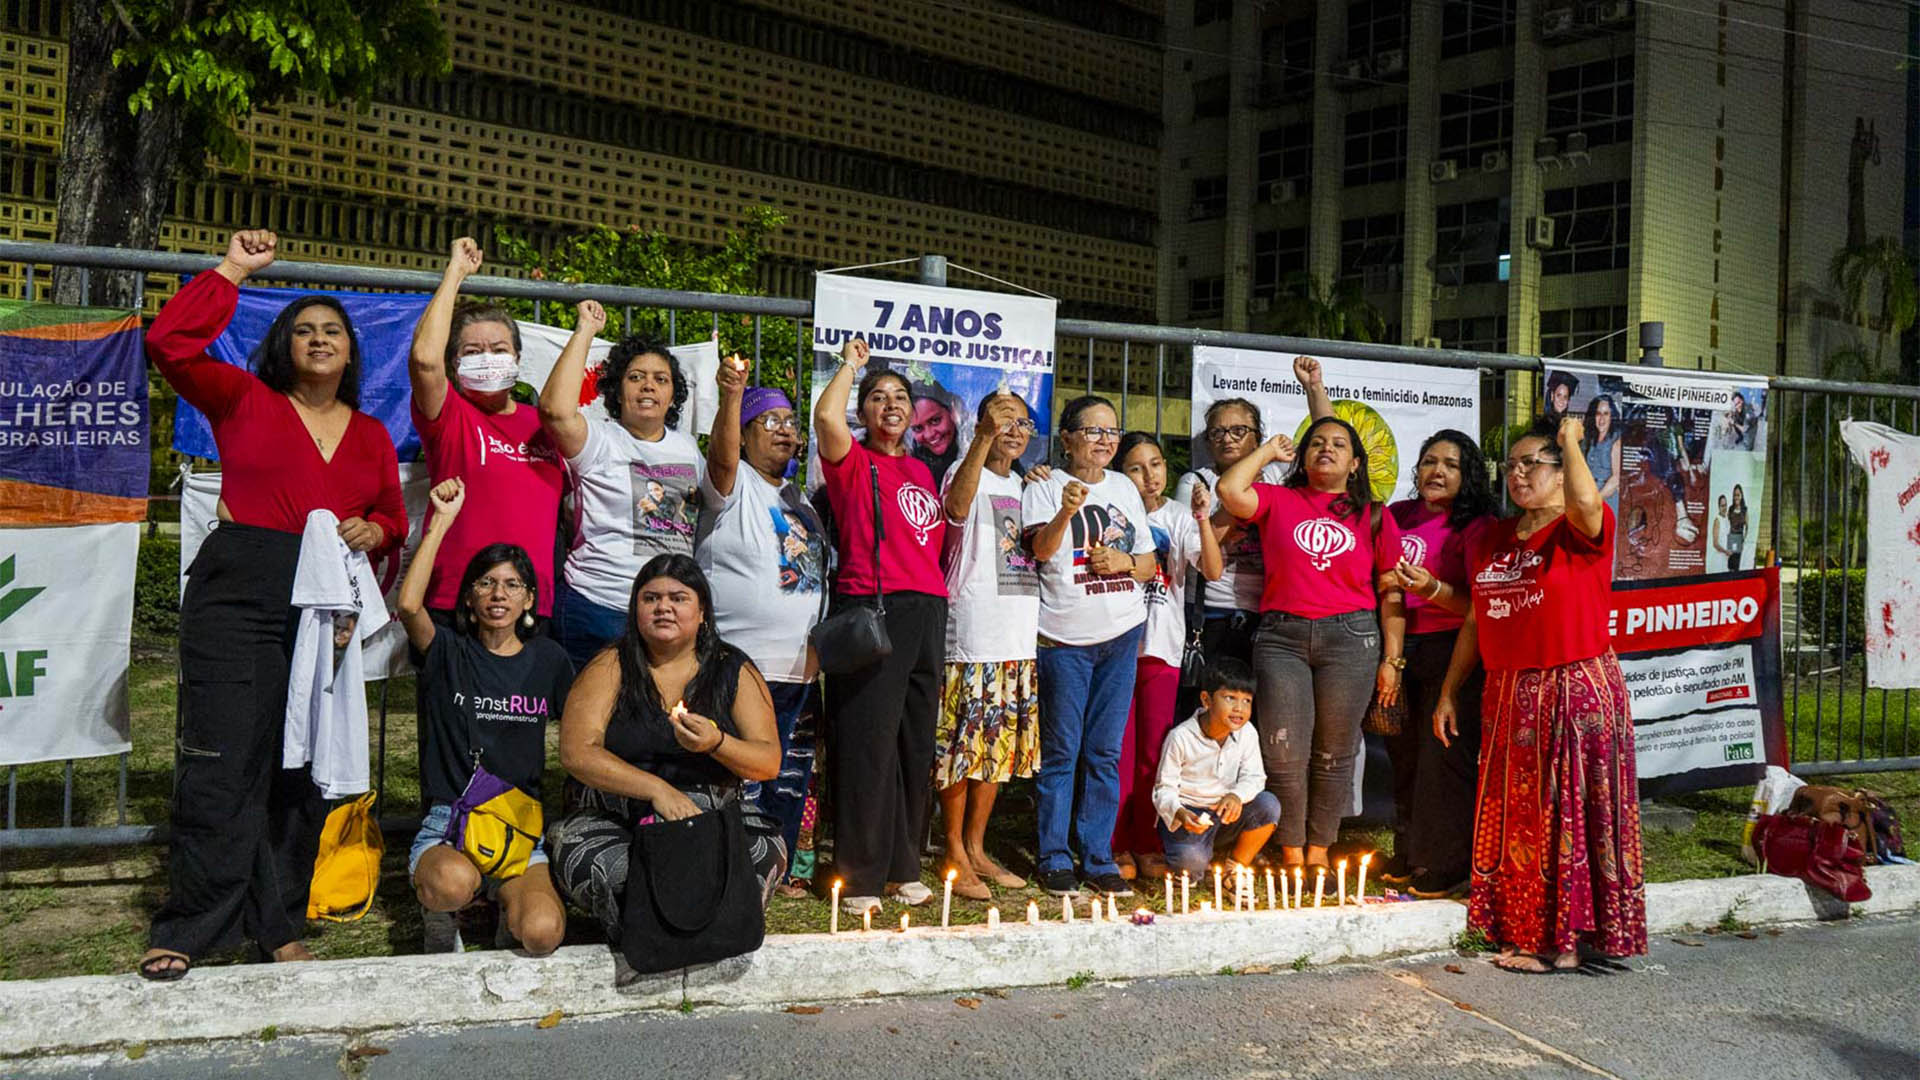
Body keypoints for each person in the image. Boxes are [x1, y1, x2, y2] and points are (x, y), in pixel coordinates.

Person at [140, 230, 406, 980]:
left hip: (324, 604)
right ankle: (190, 923)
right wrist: (232, 269)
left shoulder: (374, 436)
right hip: (241, 586)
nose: (319, 339)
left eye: (333, 332)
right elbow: (168, 342)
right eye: (304, 330)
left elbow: (393, 516)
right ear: (282, 347)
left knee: (302, 769)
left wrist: (378, 528)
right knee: (223, 759)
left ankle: (278, 920)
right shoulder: (242, 398)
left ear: (352, 353)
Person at [1436, 415, 1646, 974]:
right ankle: (1526, 928)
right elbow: (1478, 618)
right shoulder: (1491, 538)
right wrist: (1450, 690)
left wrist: (1574, 443)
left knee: (1570, 813)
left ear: (1560, 473)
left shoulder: (1582, 530)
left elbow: (1586, 503)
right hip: (1508, 690)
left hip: (1574, 685)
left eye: (1533, 463)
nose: (1519, 473)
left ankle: (1567, 940)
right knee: (1519, 818)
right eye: (1512, 465)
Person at [547, 556, 786, 965]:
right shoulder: (612, 663)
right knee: (600, 862)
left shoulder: (732, 668)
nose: (664, 607)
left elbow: (767, 761)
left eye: (679, 598)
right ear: (635, 608)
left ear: (702, 611)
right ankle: (672, 933)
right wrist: (657, 791)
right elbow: (577, 751)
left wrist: (717, 743)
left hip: (711, 813)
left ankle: (705, 929)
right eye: (651, 598)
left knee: (764, 851)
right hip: (618, 814)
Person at [1215, 414, 1406, 879]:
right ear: (1301, 456)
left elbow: (1391, 591)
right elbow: (1229, 491)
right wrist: (1266, 453)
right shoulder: (1279, 499)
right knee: (1284, 749)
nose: (1327, 449)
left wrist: (1392, 659)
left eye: (1339, 444)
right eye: (1316, 442)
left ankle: (1321, 844)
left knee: (1336, 750)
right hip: (1283, 637)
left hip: (1353, 638)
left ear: (1356, 463)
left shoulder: (1375, 514)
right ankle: (1291, 846)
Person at [395, 479, 573, 955]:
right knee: (452, 883)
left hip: (518, 826)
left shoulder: (549, 661)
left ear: (529, 600)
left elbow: (581, 730)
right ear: (470, 598)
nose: (499, 594)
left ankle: (505, 911)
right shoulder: (447, 651)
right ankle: (440, 914)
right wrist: (441, 522)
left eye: (513, 584)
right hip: (450, 822)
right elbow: (409, 605)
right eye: (487, 583)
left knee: (541, 934)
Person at [810, 338, 949, 917]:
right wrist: (851, 367)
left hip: (926, 609)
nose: (890, 405)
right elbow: (823, 416)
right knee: (868, 742)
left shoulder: (919, 467)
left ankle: (902, 864)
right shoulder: (851, 461)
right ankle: (860, 872)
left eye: (900, 397)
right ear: (862, 412)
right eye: (877, 398)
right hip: (875, 605)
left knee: (913, 745)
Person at [696, 359, 827, 894]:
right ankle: (729, 865)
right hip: (742, 663)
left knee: (792, 772)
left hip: (801, 668)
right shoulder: (731, 484)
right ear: (744, 435)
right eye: (768, 422)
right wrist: (733, 395)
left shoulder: (801, 501)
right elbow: (722, 455)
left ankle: (779, 869)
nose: (785, 431)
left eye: (790, 422)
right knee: (738, 773)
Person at [1023, 394, 1159, 898]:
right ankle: (1054, 855)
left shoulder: (1124, 486)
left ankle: (1098, 855)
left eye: (1111, 433)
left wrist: (1124, 564)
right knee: (1062, 752)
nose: (1105, 441)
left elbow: (1148, 563)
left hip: (1121, 635)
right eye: (1093, 432)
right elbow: (1039, 550)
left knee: (1104, 753)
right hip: (1064, 638)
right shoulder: (1043, 485)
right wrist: (1065, 510)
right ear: (1067, 439)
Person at [407, 237, 564, 628]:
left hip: (531, 605)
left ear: (518, 359)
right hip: (457, 599)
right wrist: (456, 273)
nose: (488, 359)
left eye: (498, 349)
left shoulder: (546, 425)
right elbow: (425, 361)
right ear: (455, 362)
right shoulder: (449, 416)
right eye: (473, 352)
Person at [540, 301, 703, 667]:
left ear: (673, 394)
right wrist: (585, 330)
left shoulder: (689, 449)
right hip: (597, 607)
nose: (648, 385)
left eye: (661, 379)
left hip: (666, 615)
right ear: (616, 389)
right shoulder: (599, 440)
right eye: (635, 377)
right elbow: (554, 410)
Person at [1172, 357, 1335, 718]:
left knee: (1260, 718)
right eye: (1217, 432)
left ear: (1258, 436)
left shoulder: (1280, 476)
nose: (1227, 439)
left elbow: (1330, 439)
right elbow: (1199, 549)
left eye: (1238, 431)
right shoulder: (1196, 482)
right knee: (1205, 715)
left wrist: (1314, 388)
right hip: (1211, 614)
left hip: (1271, 617)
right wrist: (1239, 495)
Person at [935, 392, 1044, 900]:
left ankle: (977, 847)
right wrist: (982, 439)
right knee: (960, 748)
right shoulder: (964, 466)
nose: (1015, 431)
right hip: (973, 631)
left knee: (995, 750)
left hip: (1017, 632)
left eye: (1024, 422)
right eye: (1005, 422)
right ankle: (951, 847)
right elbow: (955, 510)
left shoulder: (1029, 483)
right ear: (981, 425)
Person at [1379, 431, 1496, 898]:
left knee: (1442, 759)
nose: (1437, 472)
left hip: (1455, 650)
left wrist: (1430, 590)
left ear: (1467, 476)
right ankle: (1410, 852)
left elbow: (1479, 605)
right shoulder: (1398, 515)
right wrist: (1391, 657)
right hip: (1403, 649)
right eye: (1429, 461)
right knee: (1404, 757)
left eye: (1450, 464)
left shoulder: (1478, 526)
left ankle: (1447, 863)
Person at [1112, 431, 1222, 881]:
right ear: (1120, 473)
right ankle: (1113, 845)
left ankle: (1147, 842)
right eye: (1136, 467)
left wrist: (1201, 518)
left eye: (1156, 464)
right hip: (1115, 641)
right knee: (1115, 752)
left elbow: (1212, 570)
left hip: (1161, 646)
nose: (1149, 476)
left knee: (1153, 754)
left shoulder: (1177, 517)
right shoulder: (1113, 509)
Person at [1151, 657, 1278, 887]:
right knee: (1192, 864)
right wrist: (1179, 813)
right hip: (1188, 816)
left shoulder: (1247, 733)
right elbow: (1164, 788)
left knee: (1269, 805)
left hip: (1225, 812)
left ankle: (1234, 867)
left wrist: (1236, 796)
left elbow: (1255, 777)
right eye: (1230, 698)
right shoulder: (1181, 737)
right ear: (1206, 699)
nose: (1239, 709)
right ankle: (1196, 858)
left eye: (1246, 701)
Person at [910, 383, 965, 485]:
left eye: (935, 420)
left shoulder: (970, 446)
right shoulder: (912, 467)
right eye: (918, 428)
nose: (928, 435)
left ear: (953, 411)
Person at [1582, 394, 1623, 512]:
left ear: (1612, 416)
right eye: (1598, 413)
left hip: (1607, 497)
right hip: (1588, 493)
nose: (1601, 419)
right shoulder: (1590, 437)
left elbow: (1616, 479)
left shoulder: (1616, 439)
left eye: (1606, 413)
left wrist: (1596, 500)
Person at [1725, 484, 1749, 570]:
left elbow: (1747, 527)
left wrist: (1744, 540)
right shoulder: (1730, 509)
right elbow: (1726, 524)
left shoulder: (1744, 510)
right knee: (1730, 564)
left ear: (1741, 496)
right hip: (1731, 538)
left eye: (1738, 495)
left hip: (1739, 539)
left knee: (1737, 564)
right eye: (1735, 495)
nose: (1736, 497)